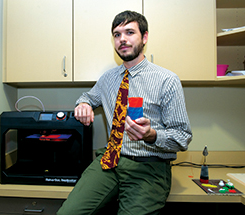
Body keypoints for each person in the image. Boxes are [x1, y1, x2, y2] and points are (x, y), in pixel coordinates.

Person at [57, 10, 192, 215]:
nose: (122, 39)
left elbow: (183, 137)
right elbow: (88, 96)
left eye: (130, 32)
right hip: (109, 161)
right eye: (117, 34)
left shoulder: (167, 80)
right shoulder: (108, 79)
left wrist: (151, 135)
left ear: (144, 37)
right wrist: (82, 103)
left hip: (148, 167)